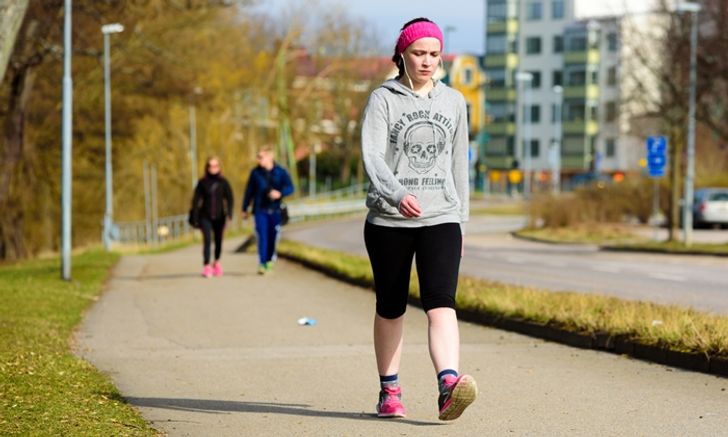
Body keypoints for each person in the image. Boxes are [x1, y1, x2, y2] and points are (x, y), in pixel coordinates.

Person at [360, 17, 476, 421]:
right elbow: (373, 155)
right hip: (389, 222)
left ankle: (448, 385)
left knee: (441, 303)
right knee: (391, 307)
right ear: (402, 55)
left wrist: (461, 220)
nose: (426, 61)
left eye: (434, 54)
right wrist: (396, 194)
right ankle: (389, 390)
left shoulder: (454, 102)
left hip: (441, 218)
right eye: (418, 53)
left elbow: (459, 165)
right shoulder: (383, 99)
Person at [242, 146, 294, 274]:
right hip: (260, 210)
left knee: (272, 237)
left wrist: (280, 193)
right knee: (262, 236)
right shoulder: (255, 173)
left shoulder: (280, 172)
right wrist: (245, 208)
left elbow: (290, 188)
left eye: (261, 157)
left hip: (275, 210)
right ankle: (262, 263)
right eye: (258, 157)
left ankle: (270, 260)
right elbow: (249, 191)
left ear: (270, 157)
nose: (258, 159)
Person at [190, 156, 234, 278]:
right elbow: (195, 200)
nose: (213, 168)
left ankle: (216, 262)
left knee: (218, 241)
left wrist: (230, 213)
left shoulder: (223, 182)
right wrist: (195, 217)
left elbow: (230, 198)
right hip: (205, 216)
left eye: (215, 165)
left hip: (220, 217)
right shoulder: (202, 182)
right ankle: (206, 265)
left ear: (219, 167)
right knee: (207, 240)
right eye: (210, 166)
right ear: (207, 167)